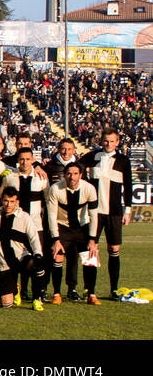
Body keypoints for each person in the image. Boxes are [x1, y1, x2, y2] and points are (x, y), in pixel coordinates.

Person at [80, 127, 132, 298]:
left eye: (112, 141)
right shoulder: (92, 156)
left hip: (115, 212)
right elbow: (78, 167)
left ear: (117, 142)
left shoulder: (123, 160)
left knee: (114, 248)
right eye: (105, 141)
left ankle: (114, 289)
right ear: (101, 141)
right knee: (90, 248)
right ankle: (89, 289)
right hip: (94, 212)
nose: (108, 144)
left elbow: (129, 186)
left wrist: (128, 210)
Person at [45, 162, 100, 305]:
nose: (72, 177)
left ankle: (91, 293)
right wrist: (56, 239)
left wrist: (93, 239)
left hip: (82, 228)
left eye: (75, 174)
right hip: (62, 227)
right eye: (69, 174)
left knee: (90, 258)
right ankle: (57, 293)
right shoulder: (55, 189)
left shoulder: (89, 189)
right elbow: (51, 215)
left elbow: (94, 215)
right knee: (57, 257)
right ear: (64, 175)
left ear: (81, 175)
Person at [0, 186, 47, 311]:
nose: (8, 204)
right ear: (1, 200)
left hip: (20, 259)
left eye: (12, 201)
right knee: (6, 304)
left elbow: (34, 238)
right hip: (3, 265)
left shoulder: (24, 217)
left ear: (17, 202)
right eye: (6, 201)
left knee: (38, 264)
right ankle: (15, 289)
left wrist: (38, 254)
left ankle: (37, 298)